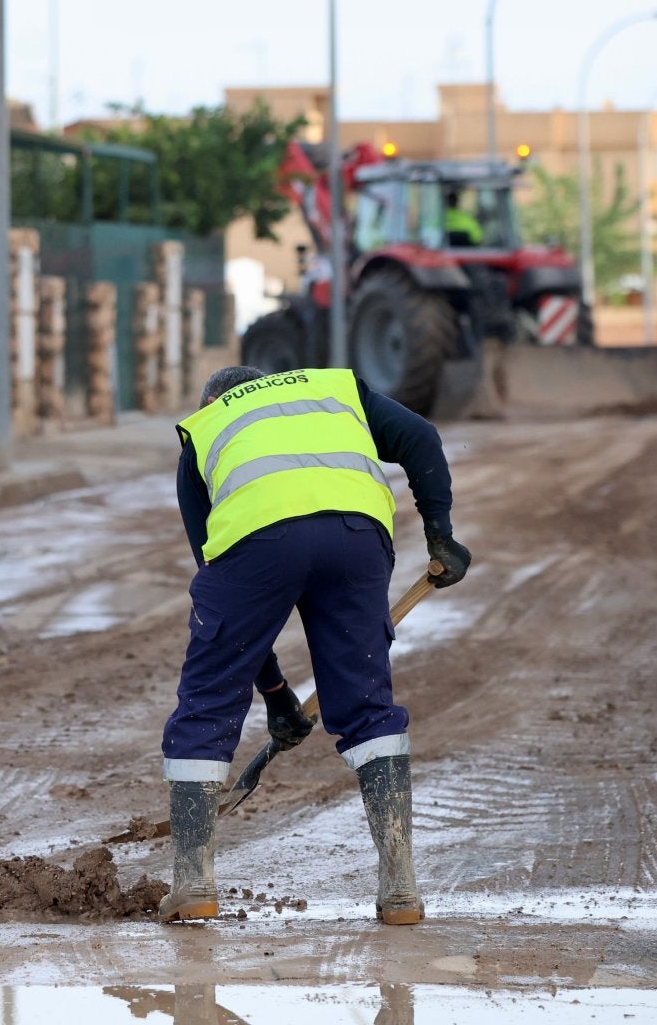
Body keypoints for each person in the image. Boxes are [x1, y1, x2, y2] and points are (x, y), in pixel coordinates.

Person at [158, 365, 471, 925]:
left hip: (258, 544)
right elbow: (421, 437)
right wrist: (439, 533)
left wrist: (273, 691)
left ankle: (193, 885)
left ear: (212, 400)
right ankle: (400, 890)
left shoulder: (205, 429)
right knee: (367, 702)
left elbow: (232, 618)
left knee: (208, 697)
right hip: (357, 535)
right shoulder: (333, 391)